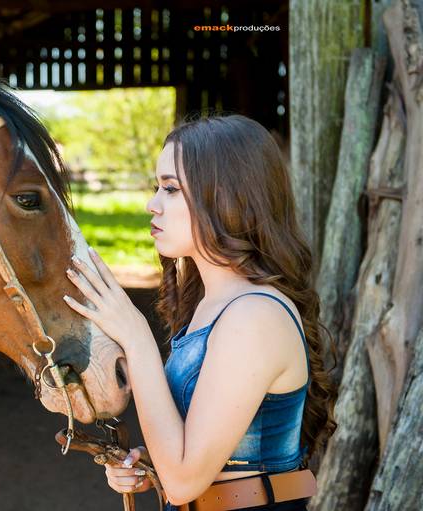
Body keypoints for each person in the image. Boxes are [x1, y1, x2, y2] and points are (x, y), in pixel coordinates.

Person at [62, 114, 338, 510]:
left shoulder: (255, 318)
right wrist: (149, 464)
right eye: (157, 187)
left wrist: (136, 337)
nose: (151, 204)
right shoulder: (214, 304)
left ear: (226, 197)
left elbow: (184, 481)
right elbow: (197, 461)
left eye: (170, 189)